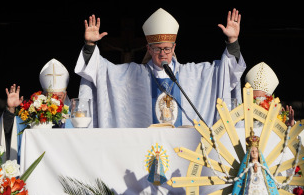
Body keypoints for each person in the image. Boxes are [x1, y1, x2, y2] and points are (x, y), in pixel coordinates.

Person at [75, 8, 246, 128]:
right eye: (157, 49)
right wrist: (90, 44)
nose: (163, 53)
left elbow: (224, 71)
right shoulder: (133, 75)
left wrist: (232, 42)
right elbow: (101, 71)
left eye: (167, 48)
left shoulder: (191, 75)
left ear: (174, 47)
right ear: (149, 49)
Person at [0, 59, 73, 163]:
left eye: (58, 96)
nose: (54, 101)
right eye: (50, 96)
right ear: (43, 96)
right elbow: (10, 133)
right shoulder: (31, 117)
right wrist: (10, 110)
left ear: (64, 96)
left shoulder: (73, 119)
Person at [240, 62, 304, 153]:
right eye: (254, 100)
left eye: (262, 101)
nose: (258, 106)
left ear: (270, 101)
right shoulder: (239, 122)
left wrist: (291, 128)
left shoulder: (282, 121)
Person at [231, 128, 280, 195]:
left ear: (259, 153)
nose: (254, 153)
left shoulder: (262, 166)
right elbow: (241, 180)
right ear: (249, 153)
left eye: (256, 151)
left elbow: (268, 179)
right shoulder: (247, 167)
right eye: (252, 151)